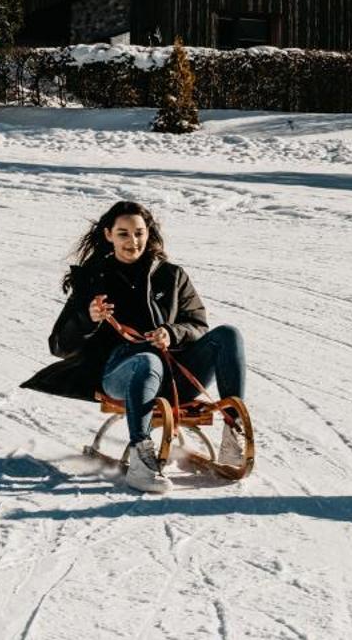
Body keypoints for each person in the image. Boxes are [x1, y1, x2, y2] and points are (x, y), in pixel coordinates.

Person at [23, 200, 248, 493]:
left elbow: (197, 325)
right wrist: (88, 318)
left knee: (228, 334)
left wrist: (171, 333)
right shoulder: (92, 280)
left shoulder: (171, 275)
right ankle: (142, 455)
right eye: (123, 234)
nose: (133, 241)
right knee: (145, 360)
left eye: (139, 233)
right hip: (120, 374)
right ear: (108, 235)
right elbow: (59, 345)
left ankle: (233, 434)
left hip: (175, 376)